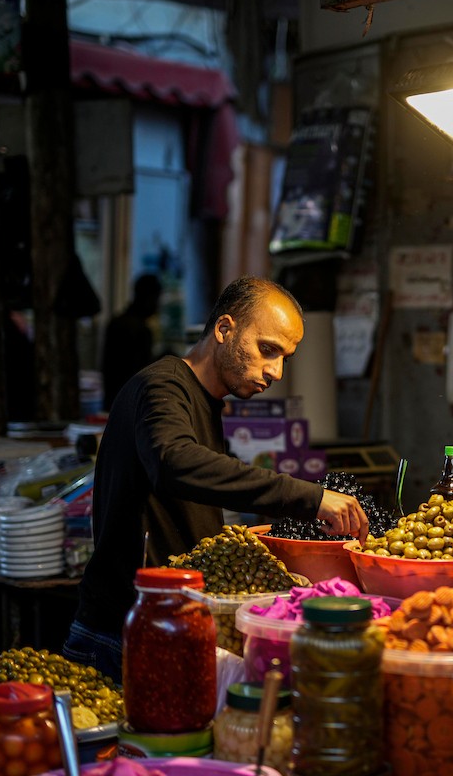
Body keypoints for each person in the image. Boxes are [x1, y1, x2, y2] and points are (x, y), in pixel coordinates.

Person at [64, 276, 369, 680]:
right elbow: (175, 462)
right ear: (225, 329)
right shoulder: (162, 386)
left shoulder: (206, 402)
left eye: (285, 358)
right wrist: (311, 498)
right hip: (122, 637)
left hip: (168, 626)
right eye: (267, 350)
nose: (276, 371)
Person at [101, 273, 163, 410]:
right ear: (148, 298)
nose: (158, 305)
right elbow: (143, 374)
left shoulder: (116, 323)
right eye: (157, 299)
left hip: (113, 402)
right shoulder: (140, 330)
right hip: (130, 405)